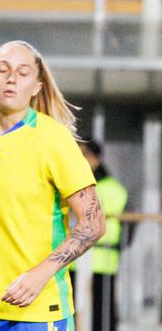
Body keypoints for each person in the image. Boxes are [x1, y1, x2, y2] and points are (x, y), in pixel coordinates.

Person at [0, 40, 106, 330]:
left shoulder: (53, 140)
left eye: (23, 73)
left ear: (36, 87)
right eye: (3, 69)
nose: (11, 78)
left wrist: (41, 274)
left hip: (34, 310)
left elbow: (94, 222)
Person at [70, 139, 128, 331]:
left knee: (102, 315)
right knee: (74, 311)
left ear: (96, 159)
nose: (80, 160)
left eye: (84, 155)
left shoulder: (112, 188)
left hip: (101, 261)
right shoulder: (73, 183)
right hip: (74, 260)